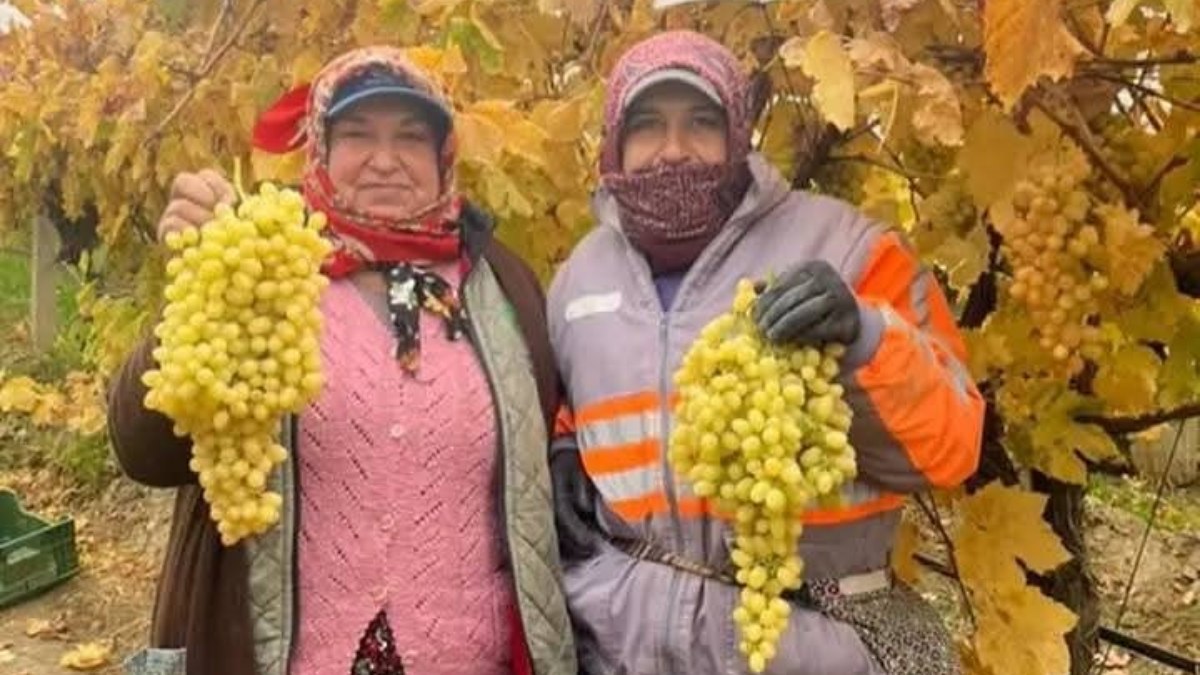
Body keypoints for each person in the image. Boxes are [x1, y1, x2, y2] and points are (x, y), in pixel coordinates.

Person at [107, 46, 576, 675]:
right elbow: (145, 452)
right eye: (357, 134)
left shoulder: (504, 288)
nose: (385, 160)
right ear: (321, 150)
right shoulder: (265, 269)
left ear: (443, 157)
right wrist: (200, 292)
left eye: (411, 137)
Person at [547, 30, 984, 675]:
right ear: (614, 143)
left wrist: (864, 337)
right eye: (648, 126)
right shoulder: (578, 278)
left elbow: (953, 445)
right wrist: (563, 444)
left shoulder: (851, 249)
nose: (674, 150)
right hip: (622, 647)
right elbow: (588, 395)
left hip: (803, 645)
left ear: (738, 135)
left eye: (701, 123)